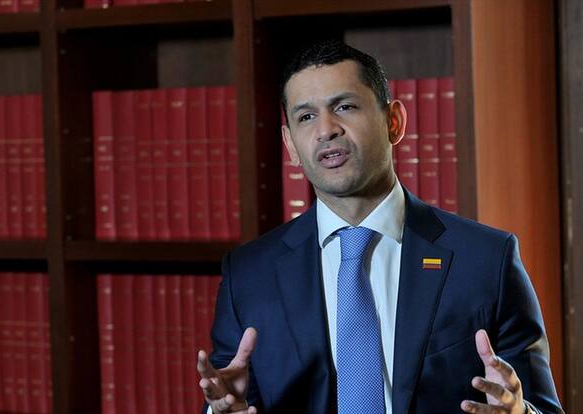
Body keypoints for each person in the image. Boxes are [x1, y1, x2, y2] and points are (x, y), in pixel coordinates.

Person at [196, 40, 564, 414]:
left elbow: (540, 406)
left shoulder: (486, 260)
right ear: (290, 144)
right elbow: (231, 396)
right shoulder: (249, 275)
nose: (326, 130)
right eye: (306, 116)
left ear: (394, 122)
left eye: (345, 107)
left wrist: (520, 412)